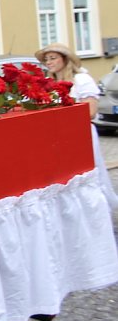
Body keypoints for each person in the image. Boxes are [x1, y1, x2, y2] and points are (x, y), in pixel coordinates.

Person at [35, 42, 118, 208]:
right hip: (59, 136)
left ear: (65, 60)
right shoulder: (49, 84)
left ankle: (97, 206)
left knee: (89, 171)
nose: (49, 62)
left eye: (53, 58)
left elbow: (91, 111)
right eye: (46, 60)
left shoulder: (81, 80)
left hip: (81, 133)